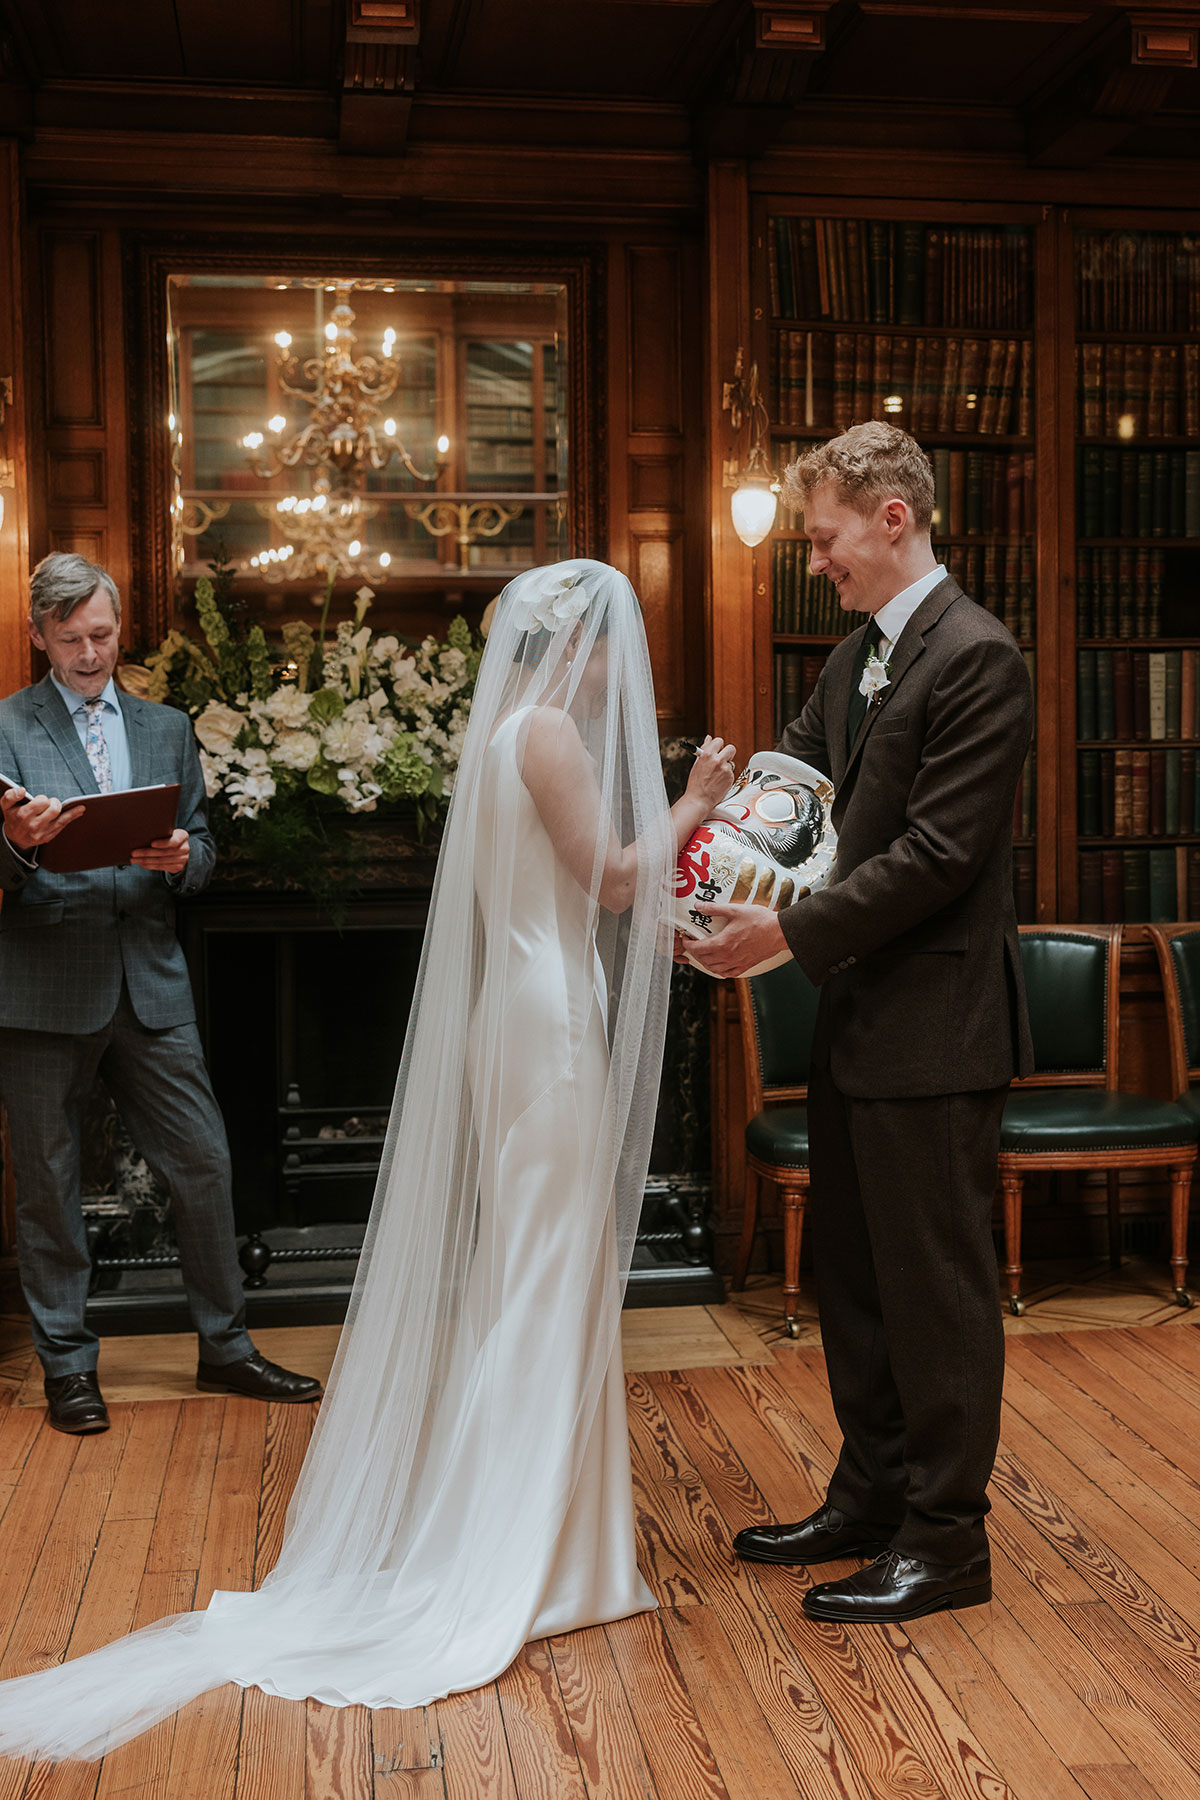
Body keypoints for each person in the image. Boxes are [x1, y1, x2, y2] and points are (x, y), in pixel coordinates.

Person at [0, 557, 736, 1762]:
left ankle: (542, 1535)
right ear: (581, 644)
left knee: (529, 1278)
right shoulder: (551, 733)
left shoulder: (505, 730)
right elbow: (609, 879)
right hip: (549, 1030)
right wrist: (698, 796)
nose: (621, 663)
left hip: (521, 1016)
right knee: (549, 1284)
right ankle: (516, 1550)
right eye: (613, 642)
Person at [694, 422, 1033, 1623]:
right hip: (857, 1020)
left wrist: (783, 935)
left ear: (894, 519)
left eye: (826, 538)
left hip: (935, 1032)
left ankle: (947, 1539)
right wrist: (716, 868)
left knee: (935, 1290)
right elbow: (797, 783)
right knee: (857, 1278)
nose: (816, 561)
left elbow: (940, 856)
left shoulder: (979, 658)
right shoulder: (856, 661)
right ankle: (872, 1495)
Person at [0, 552, 321, 1433]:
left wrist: (186, 859)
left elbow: (204, 839)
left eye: (101, 634)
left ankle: (226, 1349)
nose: (90, 652)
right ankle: (68, 1366)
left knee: (205, 1165)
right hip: (39, 988)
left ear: (117, 626)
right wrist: (20, 847)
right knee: (48, 1187)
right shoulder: (2, 729)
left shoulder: (167, 726)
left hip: (151, 984)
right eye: (70, 639)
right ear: (39, 637)